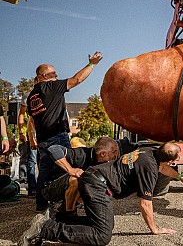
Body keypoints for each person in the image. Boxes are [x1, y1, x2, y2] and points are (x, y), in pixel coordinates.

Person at [19, 142, 183, 245]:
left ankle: (57, 219)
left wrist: (181, 177)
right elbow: (145, 204)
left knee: (101, 225)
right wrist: (155, 229)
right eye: (176, 161)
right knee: (102, 236)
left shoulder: (148, 152)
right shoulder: (149, 169)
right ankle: (46, 229)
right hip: (99, 185)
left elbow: (163, 167)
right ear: (170, 160)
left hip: (95, 177)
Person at [27, 51, 103, 211]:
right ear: (44, 76)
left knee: (45, 172)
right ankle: (68, 203)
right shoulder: (50, 87)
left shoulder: (32, 96)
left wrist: (32, 137)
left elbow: (32, 120)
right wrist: (92, 64)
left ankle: (41, 206)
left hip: (43, 139)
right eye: (54, 73)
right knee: (67, 168)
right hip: (57, 137)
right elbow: (77, 80)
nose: (57, 75)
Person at [41, 136, 119, 217]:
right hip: (50, 188)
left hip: (65, 190)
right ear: (103, 153)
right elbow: (53, 149)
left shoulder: (103, 163)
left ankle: (63, 210)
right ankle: (69, 215)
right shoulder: (81, 154)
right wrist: (71, 170)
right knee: (76, 178)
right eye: (114, 151)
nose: (116, 154)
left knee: (95, 184)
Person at [17, 89, 38, 197]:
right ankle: (29, 186)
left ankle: (41, 188)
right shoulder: (28, 96)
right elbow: (22, 115)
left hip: (42, 134)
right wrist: (21, 132)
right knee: (28, 160)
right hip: (29, 133)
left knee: (41, 160)